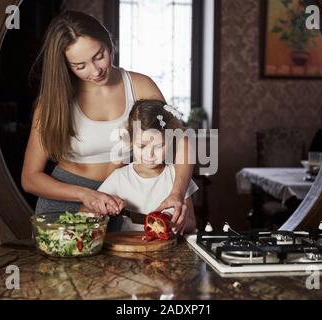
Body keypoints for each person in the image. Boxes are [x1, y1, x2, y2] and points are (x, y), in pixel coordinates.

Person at [21, 11, 194, 230]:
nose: (95, 71)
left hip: (126, 202)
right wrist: (85, 194)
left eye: (99, 55)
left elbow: (181, 140)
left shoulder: (141, 86)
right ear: (65, 65)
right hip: (66, 203)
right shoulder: (53, 102)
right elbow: (30, 178)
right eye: (80, 66)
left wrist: (176, 193)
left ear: (109, 42)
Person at [79, 100, 198, 234]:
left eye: (159, 146)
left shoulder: (178, 177)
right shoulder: (120, 177)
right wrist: (101, 212)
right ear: (130, 141)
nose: (150, 154)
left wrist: (174, 224)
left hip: (169, 247)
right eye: (141, 146)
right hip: (130, 248)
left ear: (170, 142)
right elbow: (84, 212)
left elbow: (191, 222)